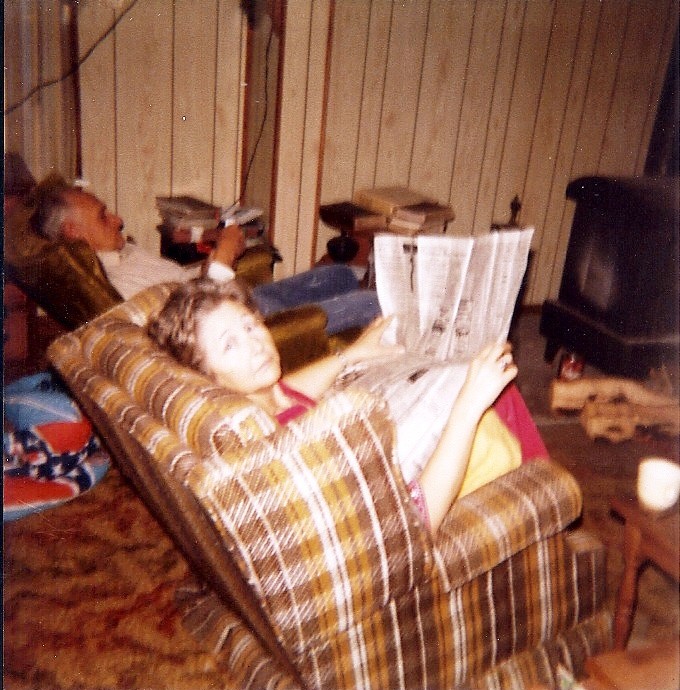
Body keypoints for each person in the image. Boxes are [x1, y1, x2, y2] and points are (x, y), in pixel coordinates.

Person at [149, 277, 544, 535]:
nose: (255, 344)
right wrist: (468, 407)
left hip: (394, 442)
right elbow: (411, 520)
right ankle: (543, 499)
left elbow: (289, 388)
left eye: (250, 325)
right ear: (210, 378)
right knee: (493, 408)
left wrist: (351, 354)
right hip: (411, 503)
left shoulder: (265, 399)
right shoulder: (291, 442)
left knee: (467, 376)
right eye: (230, 345)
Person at [30, 182, 381, 334]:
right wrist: (223, 259)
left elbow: (184, 286)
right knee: (370, 302)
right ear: (74, 232)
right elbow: (190, 324)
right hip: (235, 326)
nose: (117, 219)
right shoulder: (114, 284)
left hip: (237, 298)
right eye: (103, 216)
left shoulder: (121, 252)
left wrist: (215, 255)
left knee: (340, 276)